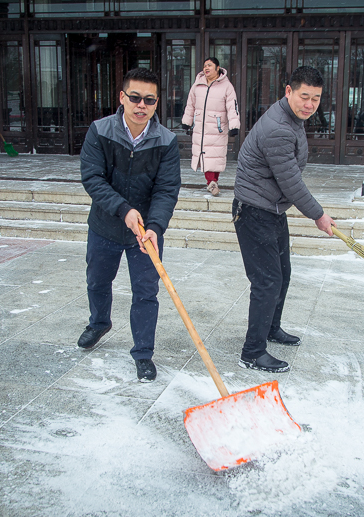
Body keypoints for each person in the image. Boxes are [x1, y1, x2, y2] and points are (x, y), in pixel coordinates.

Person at [78, 67, 181, 383]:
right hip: (105, 225)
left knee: (146, 292)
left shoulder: (166, 141)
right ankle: (99, 322)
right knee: (97, 281)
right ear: (122, 97)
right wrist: (123, 209)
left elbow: (166, 189)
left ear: (156, 102)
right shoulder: (100, 131)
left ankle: (143, 353)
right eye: (135, 97)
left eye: (149, 100)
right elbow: (93, 178)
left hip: (145, 233)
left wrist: (155, 226)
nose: (141, 105)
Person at [232, 66, 335, 373]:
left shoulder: (292, 118)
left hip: (272, 208)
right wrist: (318, 214)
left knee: (282, 274)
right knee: (267, 281)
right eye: (304, 96)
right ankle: (252, 352)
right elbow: (291, 181)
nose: (310, 104)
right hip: (254, 211)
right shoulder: (278, 127)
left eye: (316, 98)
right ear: (288, 91)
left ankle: (270, 328)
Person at [181, 57, 240, 197]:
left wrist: (234, 125)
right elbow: (190, 105)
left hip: (217, 127)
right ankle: (211, 182)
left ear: (218, 68)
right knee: (205, 154)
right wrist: (187, 122)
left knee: (216, 155)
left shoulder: (226, 86)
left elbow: (232, 107)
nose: (206, 68)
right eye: (204, 66)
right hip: (201, 127)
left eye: (209, 65)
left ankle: (213, 182)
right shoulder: (197, 85)